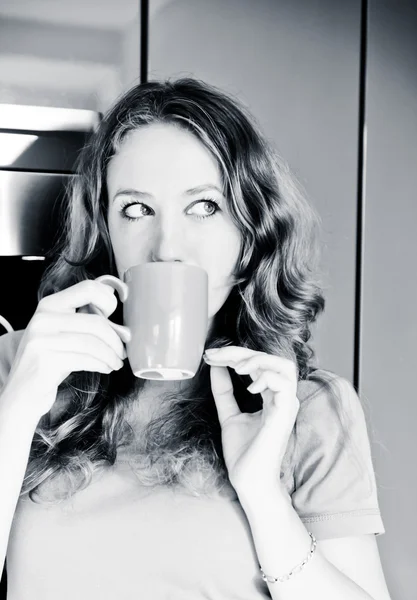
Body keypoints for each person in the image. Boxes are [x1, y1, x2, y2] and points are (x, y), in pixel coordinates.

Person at [0, 77, 391, 600]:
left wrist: (264, 497)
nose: (167, 247)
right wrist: (18, 408)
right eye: (136, 209)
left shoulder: (307, 407)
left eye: (204, 206)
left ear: (249, 237)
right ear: (106, 233)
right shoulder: (19, 365)